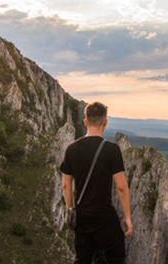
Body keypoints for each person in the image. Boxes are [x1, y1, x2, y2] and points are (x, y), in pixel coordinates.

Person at [61, 102, 132, 264]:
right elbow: (121, 187)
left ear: (85, 122)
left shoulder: (71, 149)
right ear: (105, 122)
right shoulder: (112, 150)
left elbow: (66, 185)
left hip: (82, 217)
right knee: (117, 258)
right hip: (105, 217)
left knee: (82, 259)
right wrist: (127, 217)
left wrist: (70, 210)